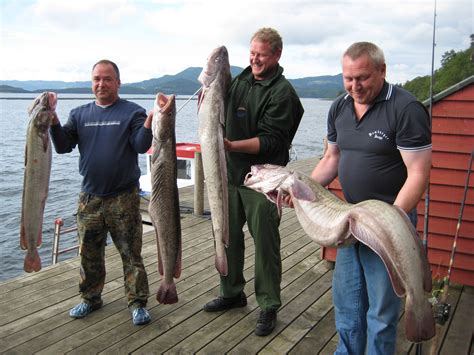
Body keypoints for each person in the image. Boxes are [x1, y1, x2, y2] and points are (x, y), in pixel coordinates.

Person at [308, 42, 432, 354]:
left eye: (362, 78)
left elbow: (418, 173)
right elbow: (331, 159)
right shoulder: (339, 107)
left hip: (391, 222)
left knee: (381, 312)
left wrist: (392, 219)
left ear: (382, 71)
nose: (354, 86)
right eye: (348, 79)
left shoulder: (406, 109)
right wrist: (302, 191)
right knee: (348, 304)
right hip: (349, 220)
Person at [202, 27, 304, 336]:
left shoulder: (283, 93)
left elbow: (273, 142)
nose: (255, 58)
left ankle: (269, 304)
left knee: (266, 243)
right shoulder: (239, 81)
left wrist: (231, 146)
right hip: (229, 176)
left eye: (261, 54)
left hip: (264, 179)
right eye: (252, 52)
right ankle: (232, 292)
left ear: (276, 55)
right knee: (227, 236)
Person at [49, 59, 154, 326]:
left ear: (118, 83)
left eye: (107, 79)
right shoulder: (79, 114)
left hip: (124, 197)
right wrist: (53, 120)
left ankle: (138, 303)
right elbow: (62, 146)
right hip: (90, 198)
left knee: (131, 254)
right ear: (91, 82)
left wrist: (150, 122)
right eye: (97, 79)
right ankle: (90, 298)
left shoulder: (133, 112)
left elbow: (141, 146)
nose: (101, 84)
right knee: (89, 255)